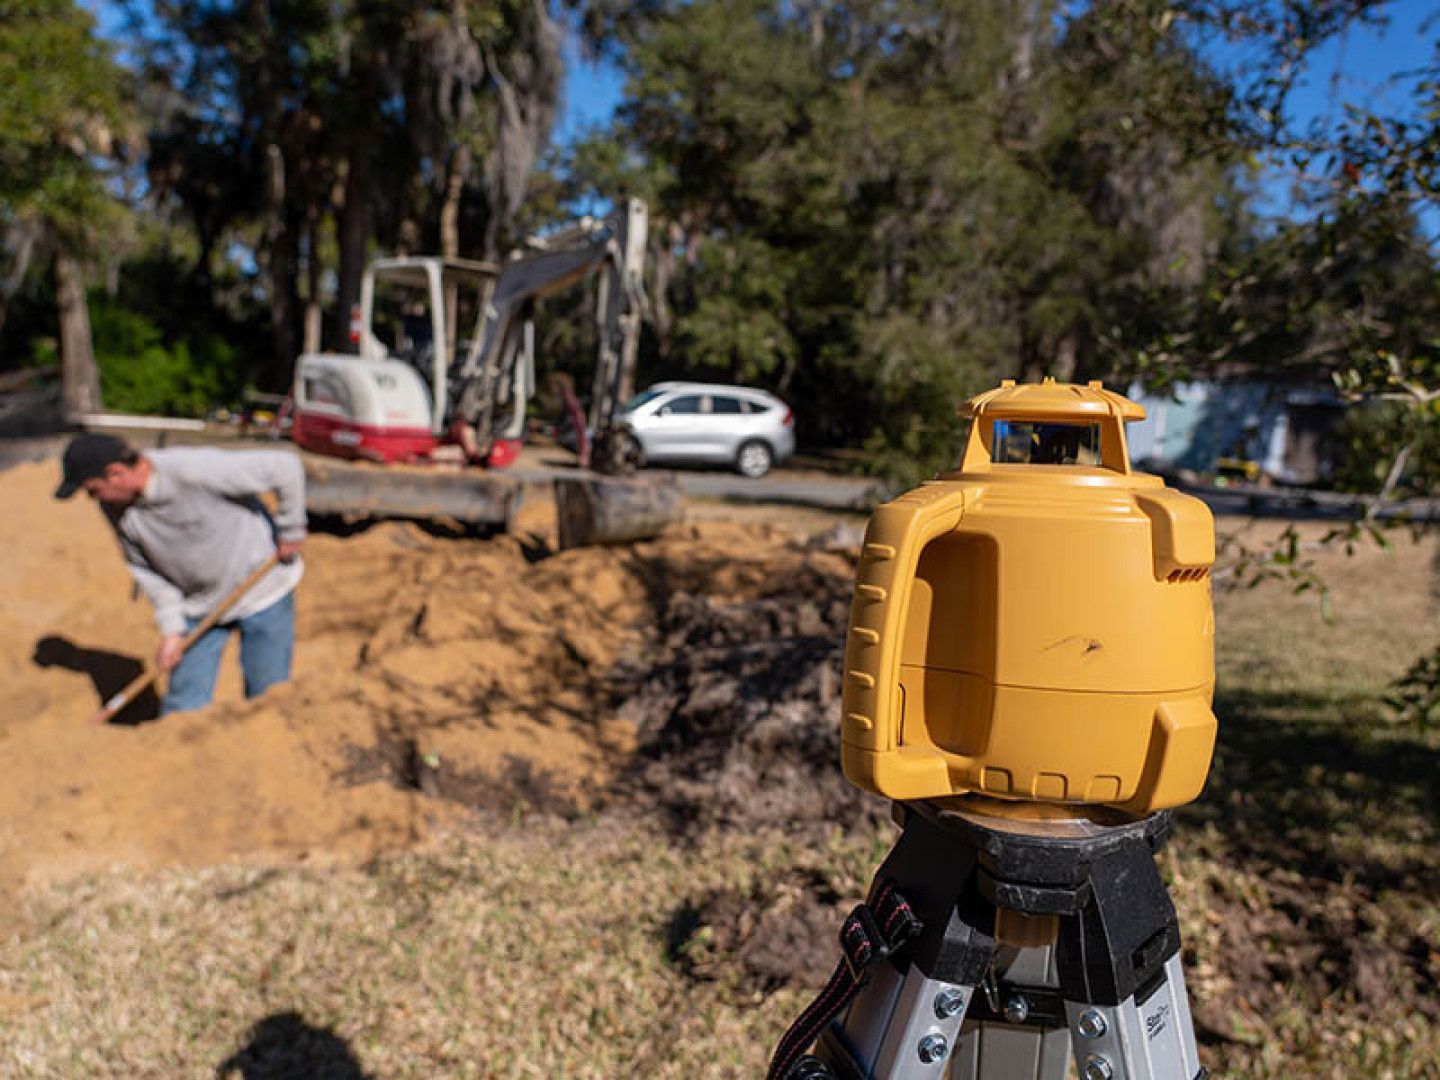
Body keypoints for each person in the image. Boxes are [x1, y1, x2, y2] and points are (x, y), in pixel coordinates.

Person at [54, 433, 307, 716]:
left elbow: (286, 467)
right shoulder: (115, 507)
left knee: (266, 699)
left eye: (93, 490)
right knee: (182, 708)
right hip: (198, 606)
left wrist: (291, 529)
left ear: (117, 473)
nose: (93, 499)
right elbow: (146, 569)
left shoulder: (193, 470)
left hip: (262, 592)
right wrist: (172, 629)